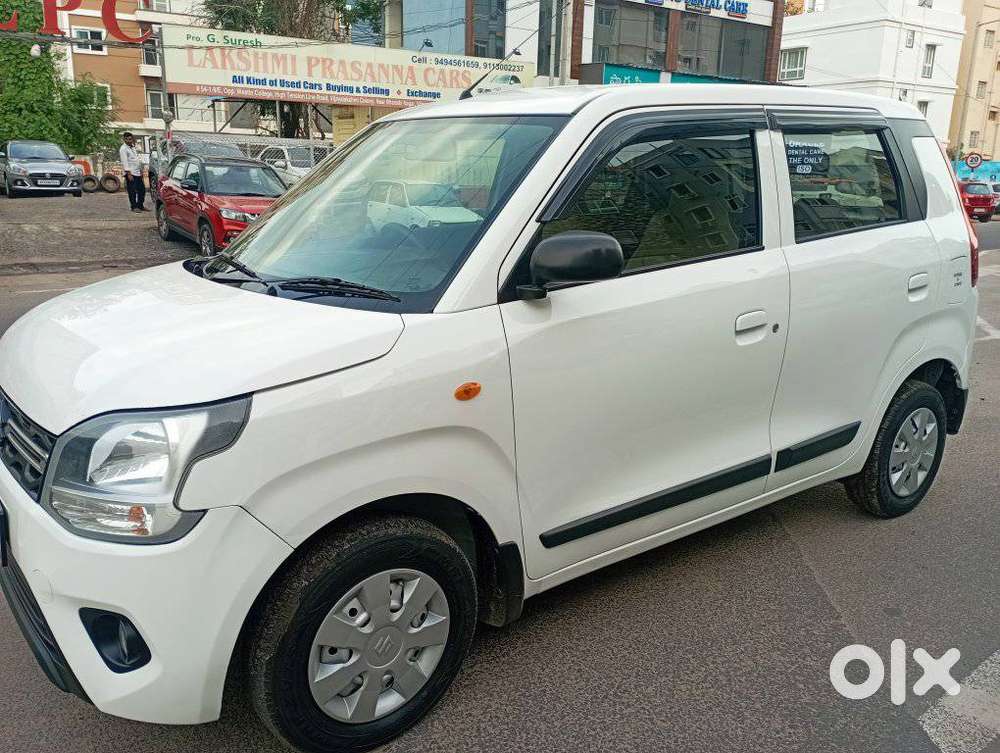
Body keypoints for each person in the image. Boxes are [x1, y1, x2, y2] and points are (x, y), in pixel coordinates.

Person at [119, 132, 147, 212]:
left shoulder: (132, 147)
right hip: (130, 173)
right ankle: (134, 207)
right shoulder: (123, 149)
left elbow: (136, 159)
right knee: (132, 191)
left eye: (130, 139)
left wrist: (140, 170)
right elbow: (124, 161)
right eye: (127, 139)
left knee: (142, 190)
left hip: (137, 172)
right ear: (124, 139)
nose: (129, 141)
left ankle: (140, 205)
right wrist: (128, 173)